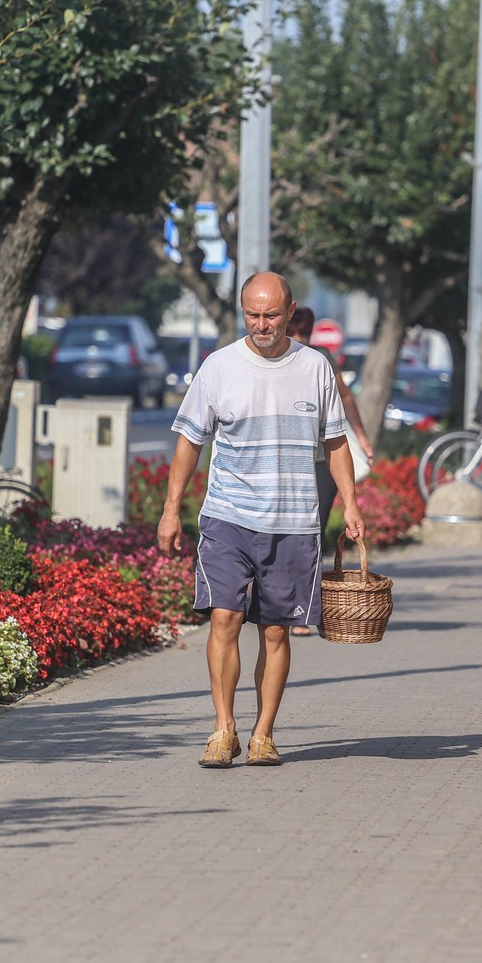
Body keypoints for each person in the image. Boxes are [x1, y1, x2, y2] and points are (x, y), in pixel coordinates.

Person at [158, 272, 366, 768]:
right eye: (252, 314)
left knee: (275, 631)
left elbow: (336, 443)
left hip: (294, 520)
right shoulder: (219, 367)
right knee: (225, 617)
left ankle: (263, 734)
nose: (261, 323)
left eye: (271, 314)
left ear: (290, 311)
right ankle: (223, 729)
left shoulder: (315, 368)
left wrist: (351, 504)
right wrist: (171, 510)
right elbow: (190, 441)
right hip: (228, 514)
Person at [285, 306, 375, 636]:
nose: (301, 339)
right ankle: (279, 599)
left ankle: (301, 607)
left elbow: (345, 397)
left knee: (313, 531)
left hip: (323, 460)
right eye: (297, 331)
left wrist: (361, 439)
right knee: (289, 532)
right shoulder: (277, 357)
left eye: (304, 332)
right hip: (287, 459)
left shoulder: (320, 358)